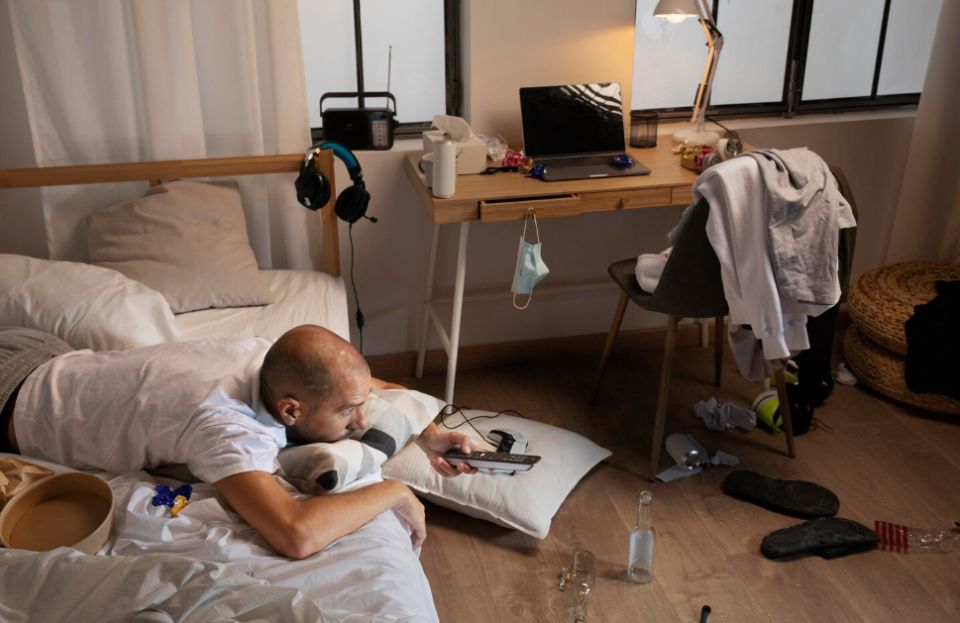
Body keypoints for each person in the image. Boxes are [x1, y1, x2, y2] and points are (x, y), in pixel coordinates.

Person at [0, 325, 476, 559]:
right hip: (8, 400)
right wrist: (394, 491)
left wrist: (429, 434)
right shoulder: (227, 429)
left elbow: (359, 383)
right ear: (290, 411)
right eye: (349, 412)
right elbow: (296, 535)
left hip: (43, 351)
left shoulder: (266, 353)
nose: (363, 419)